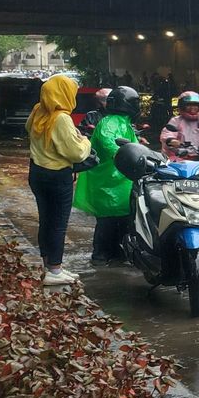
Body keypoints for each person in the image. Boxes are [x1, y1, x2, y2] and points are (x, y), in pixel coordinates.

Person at [25, 75, 93, 286]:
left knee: (46, 220)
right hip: (57, 176)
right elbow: (76, 153)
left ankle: (49, 265)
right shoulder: (61, 118)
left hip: (37, 172)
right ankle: (55, 270)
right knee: (58, 224)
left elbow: (29, 129)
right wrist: (85, 141)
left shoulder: (39, 110)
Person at [74, 86, 140, 265]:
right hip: (108, 181)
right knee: (107, 221)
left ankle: (119, 254)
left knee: (124, 219)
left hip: (121, 180)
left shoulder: (124, 123)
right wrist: (125, 156)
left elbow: (136, 147)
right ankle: (101, 256)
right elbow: (110, 144)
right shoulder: (108, 123)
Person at [160, 91, 199, 159]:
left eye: (195, 105)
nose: (192, 108)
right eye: (189, 105)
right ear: (182, 106)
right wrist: (171, 140)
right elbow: (167, 134)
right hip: (179, 156)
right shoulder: (176, 121)